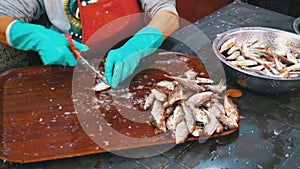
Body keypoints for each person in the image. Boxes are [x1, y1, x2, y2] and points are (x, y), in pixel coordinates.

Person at [0, 0, 179, 88]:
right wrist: (32, 36)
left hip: (136, 67)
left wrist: (139, 46)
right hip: (65, 72)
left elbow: (167, 14)